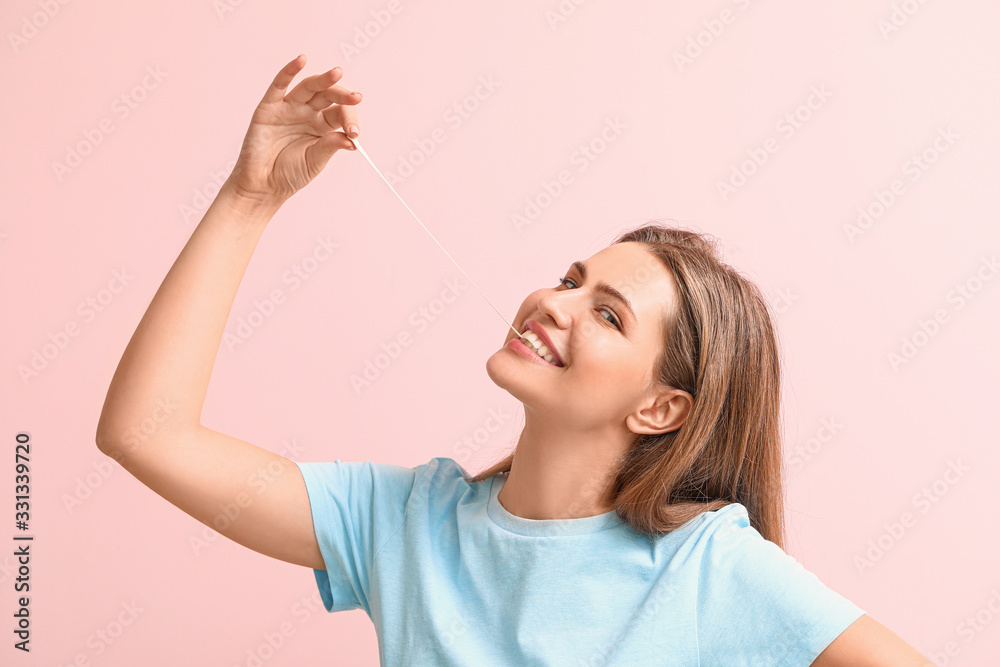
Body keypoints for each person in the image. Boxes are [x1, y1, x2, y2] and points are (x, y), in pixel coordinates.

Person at [96, 54, 932, 666]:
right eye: (572, 277)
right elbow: (146, 431)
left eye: (606, 313)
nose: (553, 302)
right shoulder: (403, 523)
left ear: (661, 408)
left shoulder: (705, 567)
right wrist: (252, 196)